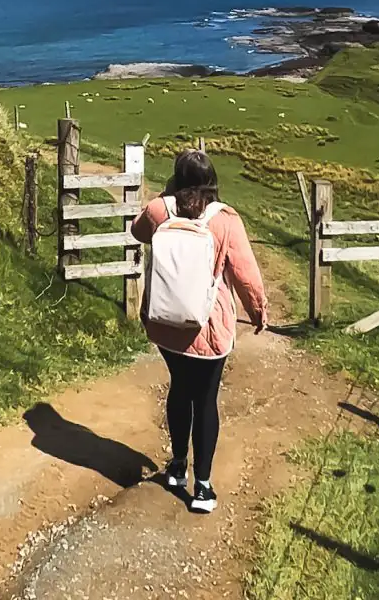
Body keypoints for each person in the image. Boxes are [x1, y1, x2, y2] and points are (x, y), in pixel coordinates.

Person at [131, 148, 268, 514]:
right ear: (213, 182)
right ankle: (203, 488)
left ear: (177, 178)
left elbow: (138, 230)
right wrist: (258, 312)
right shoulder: (225, 220)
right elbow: (245, 274)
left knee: (180, 387)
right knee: (205, 400)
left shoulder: (161, 210)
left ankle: (177, 466)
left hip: (165, 325)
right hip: (208, 326)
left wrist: (165, 195)